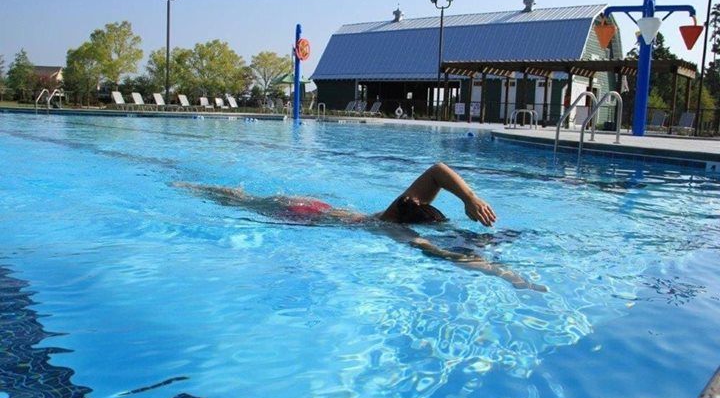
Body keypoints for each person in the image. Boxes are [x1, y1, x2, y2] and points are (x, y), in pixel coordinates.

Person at [172, 162, 547, 292]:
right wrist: (509, 276)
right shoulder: (398, 228)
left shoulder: (403, 208)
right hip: (305, 216)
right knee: (241, 201)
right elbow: (448, 256)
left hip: (323, 208)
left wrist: (469, 198)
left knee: (245, 197)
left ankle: (201, 187)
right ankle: (193, 187)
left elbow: (437, 171)